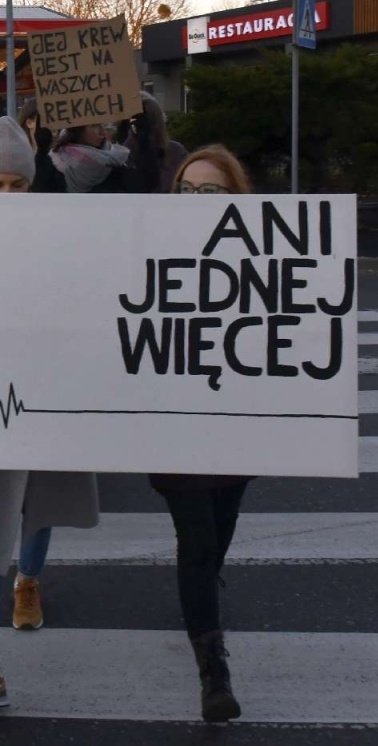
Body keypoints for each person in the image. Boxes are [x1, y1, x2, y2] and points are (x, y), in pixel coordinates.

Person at [0, 117, 100, 710]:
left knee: (42, 497)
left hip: (47, 391)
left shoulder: (61, 237)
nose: (6, 195)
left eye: (16, 184)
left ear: (31, 186)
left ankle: (29, 582)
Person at [149, 143, 256, 723]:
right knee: (197, 543)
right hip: (174, 425)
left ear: (235, 198)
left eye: (210, 192)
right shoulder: (150, 250)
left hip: (237, 424)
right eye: (187, 192)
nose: (196, 202)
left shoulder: (260, 256)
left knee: (216, 540)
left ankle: (202, 602)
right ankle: (213, 671)